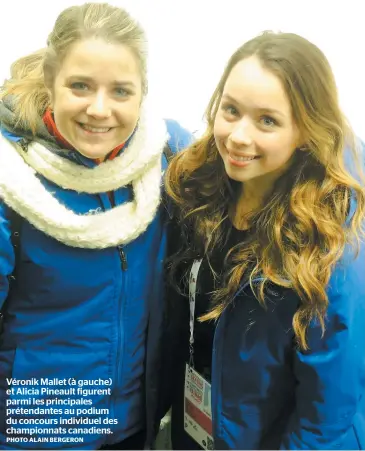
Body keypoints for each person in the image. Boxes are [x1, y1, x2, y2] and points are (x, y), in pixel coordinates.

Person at [0, 3, 192, 449]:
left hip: (134, 423)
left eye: (121, 91)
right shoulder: (11, 180)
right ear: (51, 84)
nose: (100, 110)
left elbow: (255, 156)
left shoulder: (164, 156)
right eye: (80, 86)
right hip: (38, 433)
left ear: (144, 92)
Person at [164, 31, 365, 450]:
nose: (238, 136)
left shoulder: (329, 247)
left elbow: (325, 418)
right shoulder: (204, 185)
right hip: (196, 429)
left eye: (267, 121)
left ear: (307, 132)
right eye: (231, 110)